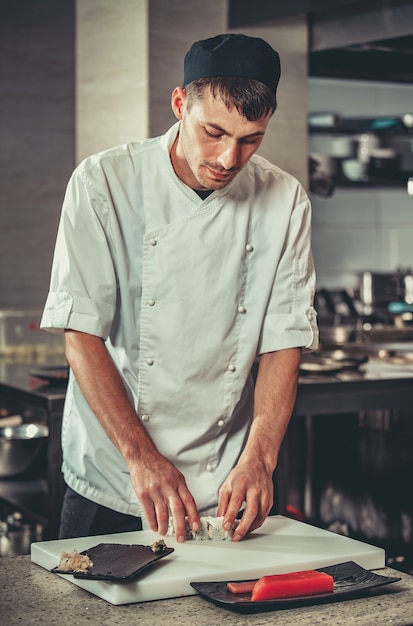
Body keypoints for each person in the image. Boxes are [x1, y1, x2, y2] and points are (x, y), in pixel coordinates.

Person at [41, 33, 318, 543]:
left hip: (223, 481)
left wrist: (259, 458)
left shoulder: (285, 199)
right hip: (117, 476)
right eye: (213, 132)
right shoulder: (104, 183)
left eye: (251, 139)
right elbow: (81, 335)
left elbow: (284, 341)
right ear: (178, 104)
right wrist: (142, 458)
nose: (229, 158)